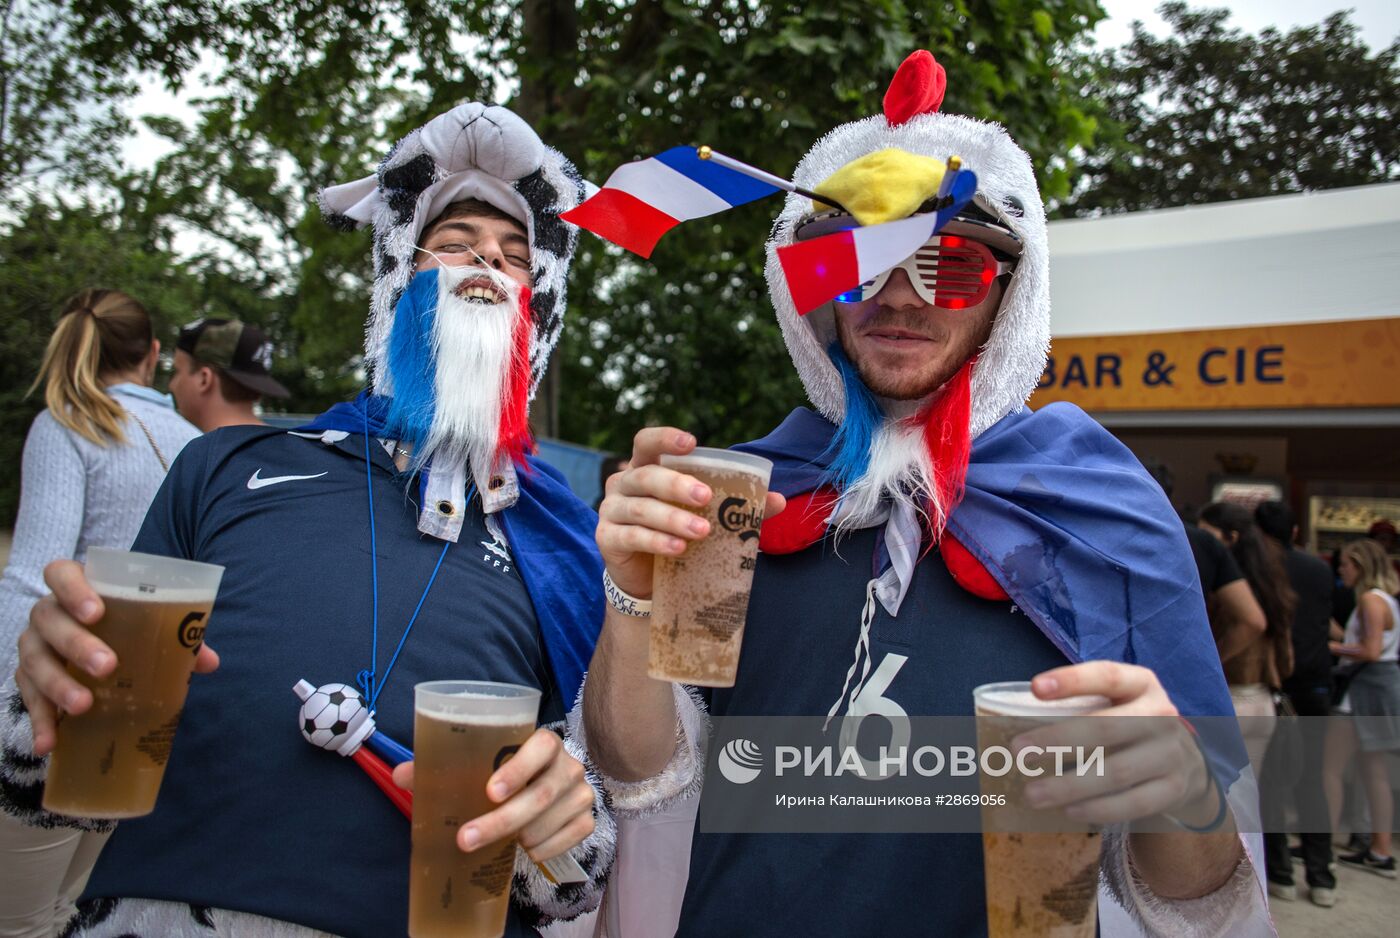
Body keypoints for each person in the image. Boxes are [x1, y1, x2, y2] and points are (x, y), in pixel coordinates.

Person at [580, 51, 1270, 936]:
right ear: (813, 299)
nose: (898, 298)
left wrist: (1180, 788)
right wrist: (634, 591)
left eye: (948, 268)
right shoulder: (740, 495)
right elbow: (642, 774)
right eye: (855, 265)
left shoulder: (1099, 509)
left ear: (1012, 295)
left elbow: (1200, 893)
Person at [12, 103, 615, 936]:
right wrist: (41, 699)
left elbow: (587, 847)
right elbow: (65, 781)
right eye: (455, 240)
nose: (488, 258)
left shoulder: (571, 539)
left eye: (517, 255)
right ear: (398, 273)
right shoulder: (225, 464)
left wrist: (568, 824)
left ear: (536, 314)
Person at [0, 289, 199, 937]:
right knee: (75, 913)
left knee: (20, 920)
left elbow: (33, 580)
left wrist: (11, 724)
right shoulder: (195, 443)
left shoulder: (70, 423)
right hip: (144, 726)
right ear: (153, 355)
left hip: (52, 720)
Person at [1252, 500, 1337, 906]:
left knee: (1270, 781)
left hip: (1277, 685)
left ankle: (1281, 874)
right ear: (1297, 532)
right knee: (1311, 778)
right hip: (1317, 684)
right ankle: (1322, 877)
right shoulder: (1320, 569)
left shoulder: (1259, 570)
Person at [1321, 538, 1400, 880]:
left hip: (1363, 691)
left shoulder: (1369, 600)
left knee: (1330, 768)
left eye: (1347, 565)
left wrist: (1330, 645)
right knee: (1375, 773)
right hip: (1382, 689)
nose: (1341, 570)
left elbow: (1367, 650)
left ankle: (1322, 846)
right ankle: (1381, 851)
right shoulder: (1386, 600)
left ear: (1362, 566)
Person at [1196, 502, 1295, 773]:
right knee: (1248, 799)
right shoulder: (1271, 580)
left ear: (1231, 537)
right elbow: (1287, 658)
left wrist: (1214, 659)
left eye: (1207, 533)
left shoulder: (1226, 589)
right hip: (1263, 698)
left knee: (1220, 800)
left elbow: (1252, 622)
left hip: (1230, 697)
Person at [168, 318, 291, 431]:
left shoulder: (200, 453)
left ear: (204, 379)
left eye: (177, 372)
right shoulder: (295, 447)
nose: (172, 386)